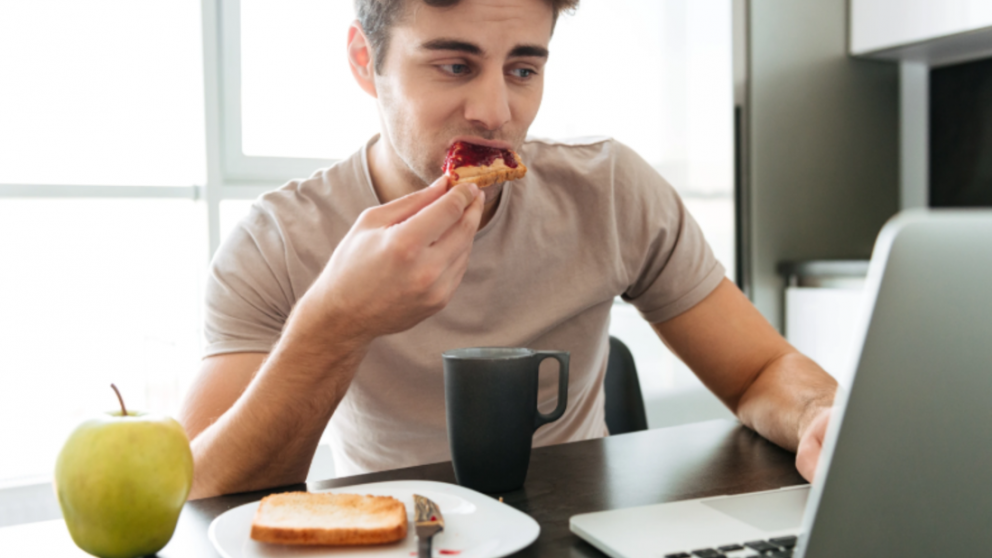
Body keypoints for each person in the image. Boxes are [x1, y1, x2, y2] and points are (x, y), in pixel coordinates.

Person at [179, 0, 837, 500]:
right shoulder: (278, 242)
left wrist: (820, 415)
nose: (495, 112)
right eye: (454, 65)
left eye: (523, 68)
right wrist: (338, 321)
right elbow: (202, 494)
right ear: (364, 61)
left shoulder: (610, 193)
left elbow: (760, 371)